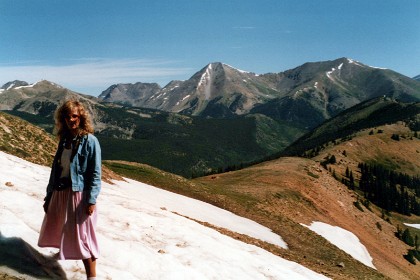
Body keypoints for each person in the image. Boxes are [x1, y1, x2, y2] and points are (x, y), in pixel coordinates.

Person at [38, 99, 101, 280]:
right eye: (67, 116)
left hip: (79, 194)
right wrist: (49, 195)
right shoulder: (65, 140)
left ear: (81, 117)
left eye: (74, 116)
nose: (71, 120)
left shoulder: (90, 141)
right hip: (61, 191)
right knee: (63, 230)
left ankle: (92, 277)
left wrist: (91, 200)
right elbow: (56, 170)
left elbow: (95, 173)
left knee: (83, 236)